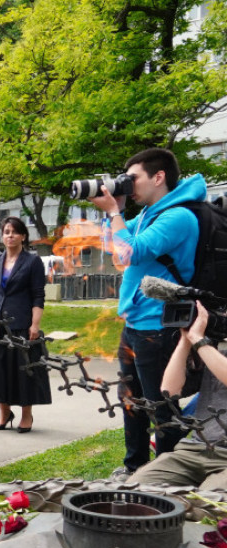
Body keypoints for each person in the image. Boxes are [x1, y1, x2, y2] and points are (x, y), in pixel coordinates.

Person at [89, 147, 207, 477]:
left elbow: (131, 252)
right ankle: (135, 467)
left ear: (159, 177)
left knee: (161, 404)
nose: (127, 184)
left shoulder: (178, 216)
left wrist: (115, 212)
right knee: (131, 399)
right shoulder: (148, 215)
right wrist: (115, 212)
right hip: (136, 323)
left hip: (159, 325)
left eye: (133, 178)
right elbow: (113, 250)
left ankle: (168, 474)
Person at [127, 301, 227, 497]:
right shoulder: (214, 351)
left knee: (208, 504)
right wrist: (185, 341)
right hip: (195, 450)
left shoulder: (209, 350)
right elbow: (169, 391)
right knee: (134, 492)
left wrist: (199, 340)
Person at [0, 217, 51, 433]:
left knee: (23, 371)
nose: (10, 236)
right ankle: (4, 413)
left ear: (23, 236)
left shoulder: (32, 262)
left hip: (20, 323)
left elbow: (38, 295)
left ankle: (26, 415)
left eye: (15, 232)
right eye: (7, 232)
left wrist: (35, 324)